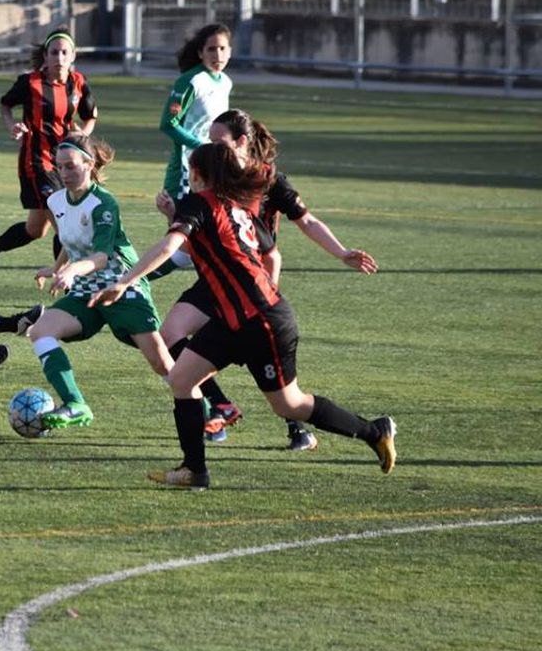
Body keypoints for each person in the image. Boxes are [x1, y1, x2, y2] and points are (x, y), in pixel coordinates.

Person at [90, 143, 396, 489]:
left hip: (261, 320)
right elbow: (264, 253)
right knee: (181, 381)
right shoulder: (236, 207)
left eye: (191, 170)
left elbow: (169, 247)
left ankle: (374, 430)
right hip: (232, 318)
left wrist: (126, 281)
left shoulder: (200, 202)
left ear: (198, 173)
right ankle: (194, 471)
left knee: (289, 405)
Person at [157, 109, 380, 451]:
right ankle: (218, 406)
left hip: (254, 283)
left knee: (270, 369)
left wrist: (341, 252)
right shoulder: (208, 180)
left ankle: (297, 427)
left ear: (242, 142)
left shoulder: (267, 180)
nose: (212, 147)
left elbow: (304, 222)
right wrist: (176, 215)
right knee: (171, 333)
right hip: (216, 279)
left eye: (219, 142)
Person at [26, 134, 178, 429]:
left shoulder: (103, 203)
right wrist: (56, 266)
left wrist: (70, 272)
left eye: (71, 166)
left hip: (121, 286)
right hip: (85, 290)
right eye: (59, 167)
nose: (64, 174)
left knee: (161, 362)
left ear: (89, 164)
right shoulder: (55, 200)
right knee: (41, 331)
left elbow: (102, 256)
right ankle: (75, 404)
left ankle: (209, 412)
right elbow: (69, 240)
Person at [0, 27, 98, 286]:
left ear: (73, 56)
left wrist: (81, 138)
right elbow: (5, 104)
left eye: (65, 52)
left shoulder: (79, 82)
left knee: (35, 230)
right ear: (45, 55)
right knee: (64, 223)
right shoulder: (29, 83)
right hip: (36, 161)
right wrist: (12, 127)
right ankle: (69, 286)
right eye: (54, 52)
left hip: (66, 162)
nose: (59, 57)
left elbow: (90, 117)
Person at [160, 23, 233, 202]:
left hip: (214, 166)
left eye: (223, 48)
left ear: (230, 51)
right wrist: (200, 146)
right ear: (201, 53)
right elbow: (168, 124)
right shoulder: (192, 81)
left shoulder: (225, 82)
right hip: (187, 167)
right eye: (211, 49)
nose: (218, 55)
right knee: (180, 225)